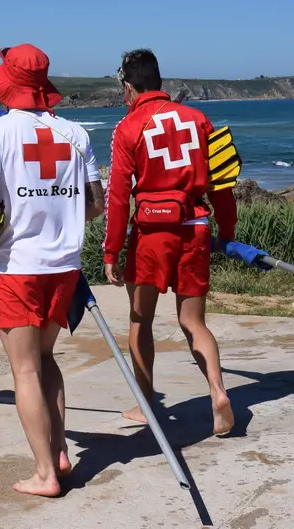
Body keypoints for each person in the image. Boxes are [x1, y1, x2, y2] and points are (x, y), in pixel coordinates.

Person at [0, 44, 104, 497]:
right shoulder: (76, 134)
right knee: (44, 359)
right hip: (65, 267)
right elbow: (96, 204)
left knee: (24, 371)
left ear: (8, 82)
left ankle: (45, 474)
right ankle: (58, 451)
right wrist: (57, 212)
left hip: (18, 267)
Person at [102, 48, 237, 437]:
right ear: (159, 81)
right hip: (194, 226)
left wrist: (111, 251)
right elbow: (221, 185)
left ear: (129, 86)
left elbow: (117, 195)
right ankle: (216, 389)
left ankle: (146, 405)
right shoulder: (199, 120)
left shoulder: (127, 127)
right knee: (193, 322)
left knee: (140, 320)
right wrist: (226, 231)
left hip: (150, 234)